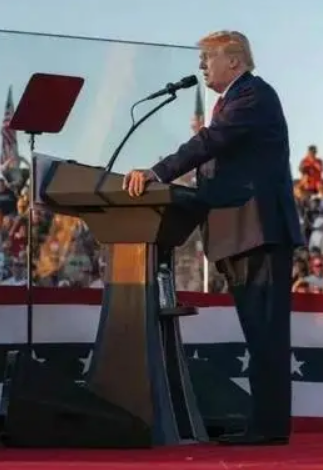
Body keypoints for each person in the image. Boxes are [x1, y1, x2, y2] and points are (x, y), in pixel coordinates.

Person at [123, 30, 303, 445]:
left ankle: (269, 427)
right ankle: (265, 424)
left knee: (266, 334)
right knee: (258, 332)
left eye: (208, 57)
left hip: (258, 232)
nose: (202, 66)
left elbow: (211, 141)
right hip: (239, 232)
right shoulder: (234, 100)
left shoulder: (252, 96)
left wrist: (158, 172)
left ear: (234, 60)